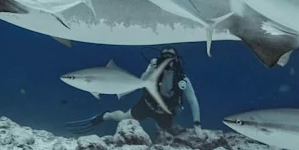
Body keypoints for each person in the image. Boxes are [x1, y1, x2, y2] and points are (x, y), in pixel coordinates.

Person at [67, 46, 201, 135]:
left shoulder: (182, 79)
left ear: (176, 60)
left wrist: (197, 124)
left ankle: (158, 135)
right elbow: (142, 82)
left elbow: (193, 101)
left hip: (166, 110)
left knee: (166, 128)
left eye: (170, 57)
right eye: (164, 57)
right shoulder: (153, 71)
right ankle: (105, 116)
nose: (167, 60)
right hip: (147, 105)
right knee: (123, 117)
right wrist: (150, 69)